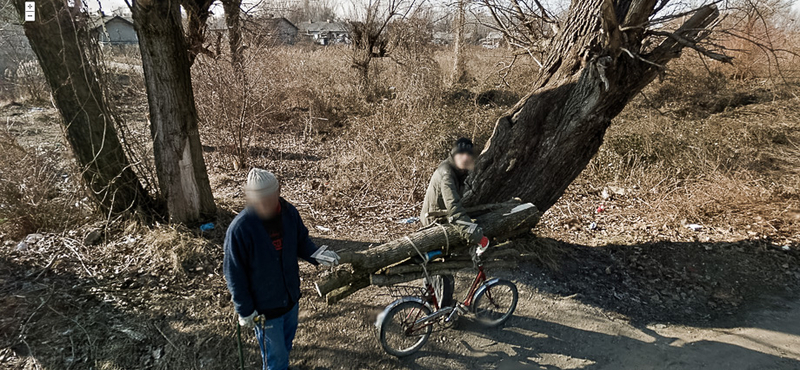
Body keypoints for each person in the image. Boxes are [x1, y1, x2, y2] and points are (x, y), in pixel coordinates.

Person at [224, 168, 340, 370]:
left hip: (290, 300)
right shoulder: (241, 228)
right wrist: (244, 310)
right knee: (275, 360)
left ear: (278, 191)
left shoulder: (289, 213)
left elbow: (302, 242)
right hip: (264, 310)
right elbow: (234, 273)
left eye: (269, 197)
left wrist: (317, 255)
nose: (265, 204)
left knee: (284, 348)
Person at [419, 138, 489, 306]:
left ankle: (428, 300)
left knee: (434, 266)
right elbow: (454, 209)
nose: (465, 158)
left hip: (439, 221)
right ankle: (444, 311)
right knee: (443, 269)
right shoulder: (447, 174)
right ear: (453, 154)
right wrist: (477, 235)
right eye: (461, 154)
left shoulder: (457, 171)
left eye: (468, 155)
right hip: (434, 224)